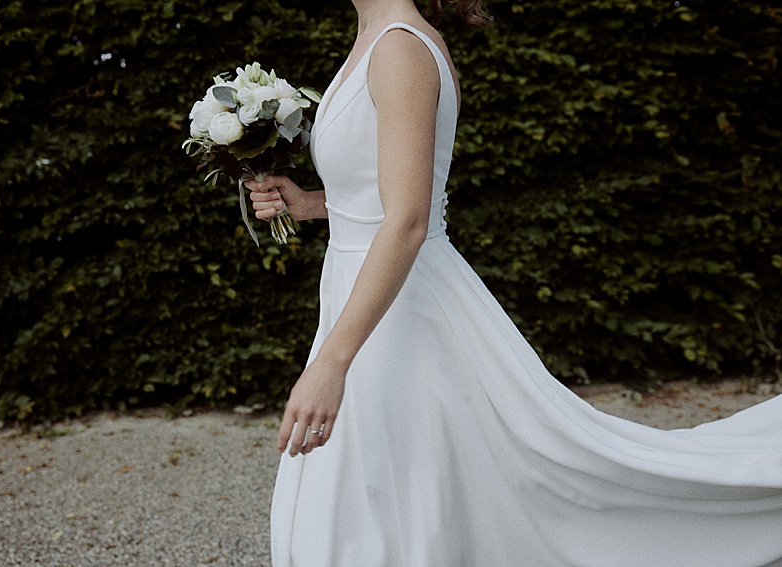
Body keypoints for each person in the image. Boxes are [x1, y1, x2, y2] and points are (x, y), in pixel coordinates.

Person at [245, 0, 782, 565]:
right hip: (369, 296)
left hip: (401, 308)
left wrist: (332, 363)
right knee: (398, 491)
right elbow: (382, 195)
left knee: (428, 491)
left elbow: (407, 220)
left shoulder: (400, 47)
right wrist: (310, 204)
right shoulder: (378, 38)